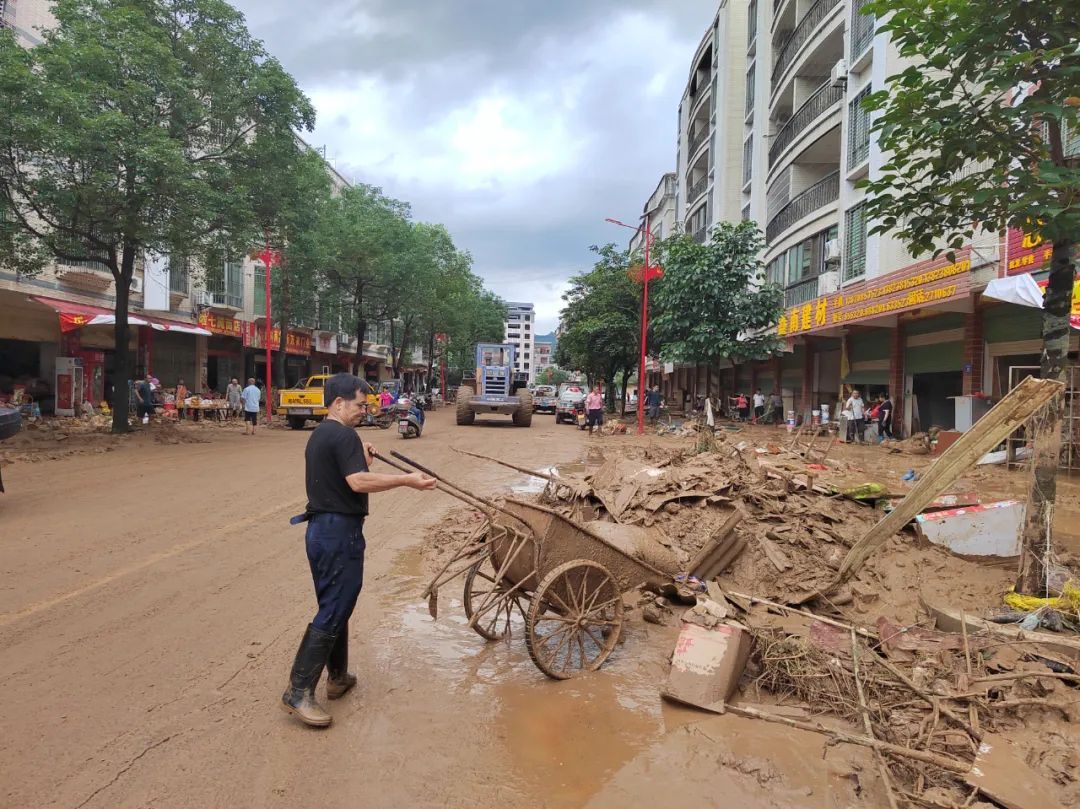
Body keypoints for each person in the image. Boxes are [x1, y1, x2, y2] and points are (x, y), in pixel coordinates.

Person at [281, 373, 436, 728]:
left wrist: (362, 460)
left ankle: (338, 677)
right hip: (339, 533)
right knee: (337, 605)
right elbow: (356, 482)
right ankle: (298, 689)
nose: (364, 411)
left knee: (335, 603)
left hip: (321, 531)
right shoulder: (344, 434)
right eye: (359, 405)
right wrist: (407, 480)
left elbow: (345, 478)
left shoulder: (322, 434)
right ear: (338, 403)